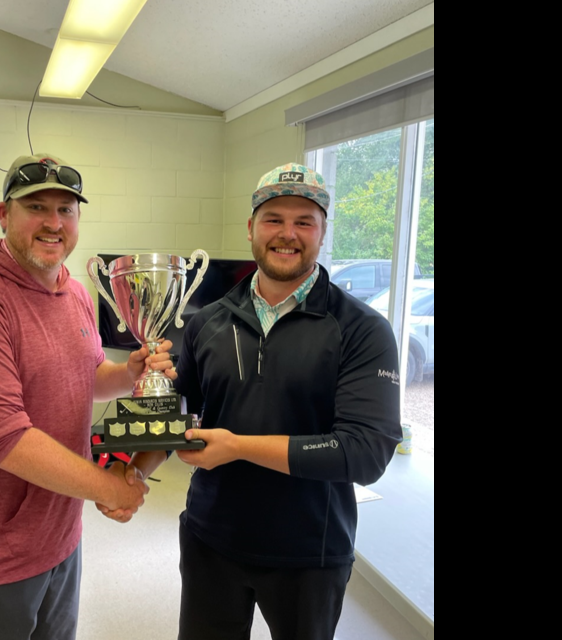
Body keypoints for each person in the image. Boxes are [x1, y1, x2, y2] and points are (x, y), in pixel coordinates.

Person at [112, 162, 403, 639]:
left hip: (310, 553)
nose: (287, 234)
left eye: (304, 221)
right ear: (251, 227)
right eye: (273, 219)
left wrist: (239, 446)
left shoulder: (361, 329)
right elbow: (179, 416)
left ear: (322, 232)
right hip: (211, 541)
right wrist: (131, 476)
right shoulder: (207, 321)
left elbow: (366, 453)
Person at [0, 152, 176, 640]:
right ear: (4, 214)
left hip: (61, 534)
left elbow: (87, 376)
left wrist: (129, 372)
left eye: (66, 210)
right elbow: (4, 437)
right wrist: (112, 488)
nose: (53, 223)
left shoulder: (74, 292)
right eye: (36, 206)